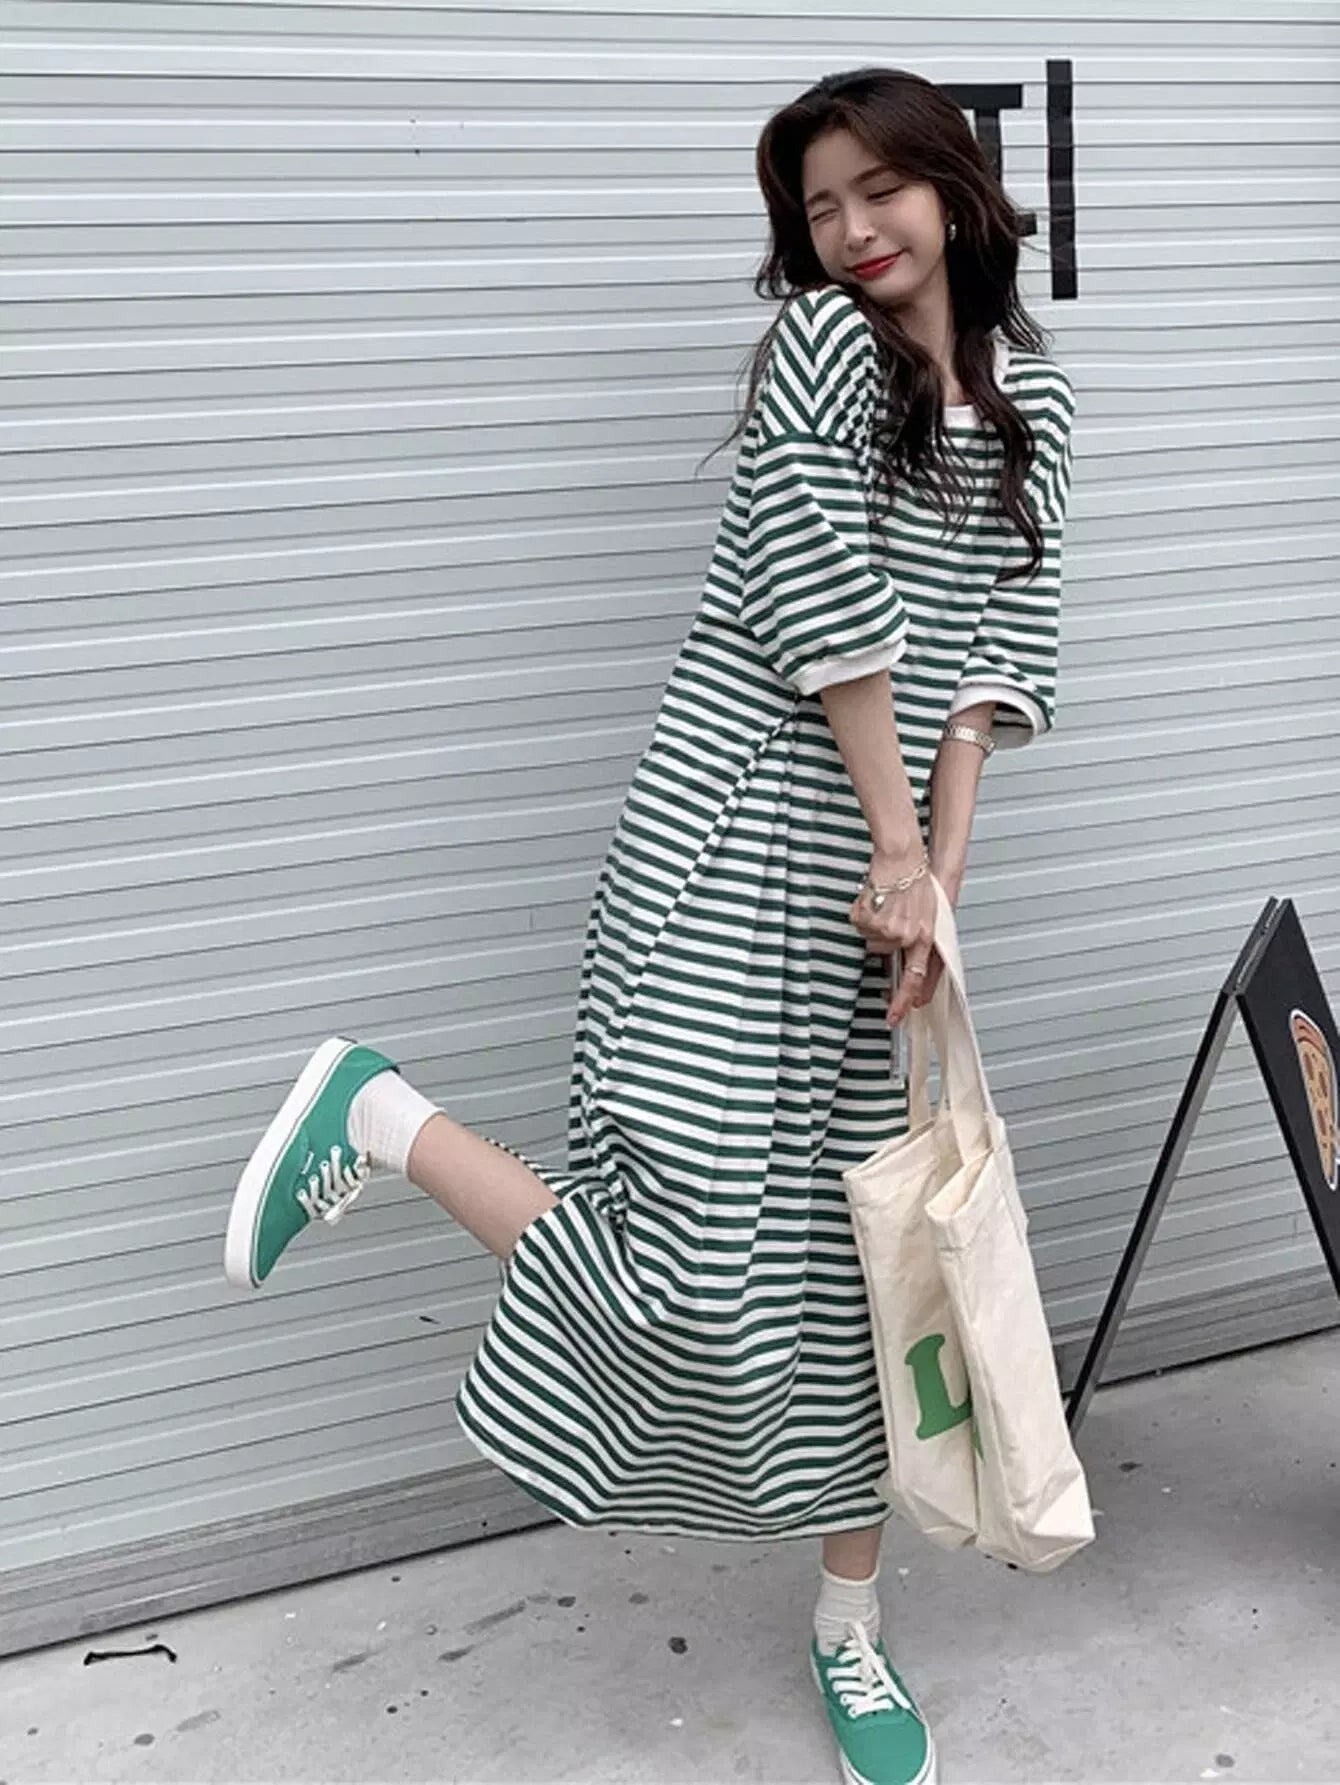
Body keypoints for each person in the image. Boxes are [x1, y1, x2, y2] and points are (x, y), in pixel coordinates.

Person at [223, 65, 1074, 1785]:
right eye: (817, 209)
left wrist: (938, 883)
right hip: (731, 838)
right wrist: (892, 843)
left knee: (859, 1281)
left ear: (952, 185)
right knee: (691, 1261)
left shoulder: (1032, 400)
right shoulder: (821, 351)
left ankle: (849, 1627)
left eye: (875, 191)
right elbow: (824, 602)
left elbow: (996, 660)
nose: (849, 232)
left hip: (879, 890)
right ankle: (384, 1116)